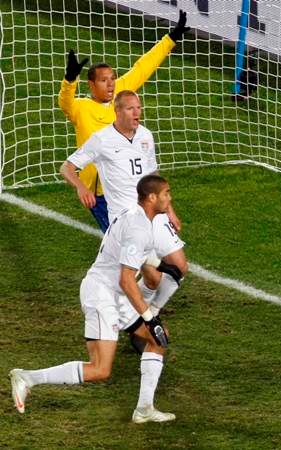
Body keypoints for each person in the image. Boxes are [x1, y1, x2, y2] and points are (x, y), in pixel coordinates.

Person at [9, 175, 182, 423]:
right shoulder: (138, 227)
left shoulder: (137, 216)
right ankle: (28, 377)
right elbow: (126, 279)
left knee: (158, 338)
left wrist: (160, 266)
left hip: (116, 293)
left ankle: (144, 409)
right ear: (152, 197)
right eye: (166, 193)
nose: (170, 197)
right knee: (100, 369)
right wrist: (149, 316)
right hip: (103, 294)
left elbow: (127, 255)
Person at [60, 90, 188, 349]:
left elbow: (154, 176)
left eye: (139, 108)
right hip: (127, 221)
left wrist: (170, 209)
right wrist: (81, 187)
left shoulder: (146, 136)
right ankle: (141, 322)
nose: (137, 113)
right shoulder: (102, 140)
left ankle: (145, 313)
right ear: (117, 111)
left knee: (179, 267)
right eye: (130, 109)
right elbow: (67, 167)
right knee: (151, 278)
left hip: (154, 213)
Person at [59, 9, 190, 232]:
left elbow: (144, 67)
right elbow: (65, 101)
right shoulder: (80, 108)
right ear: (91, 85)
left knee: (139, 241)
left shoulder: (121, 94)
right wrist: (70, 80)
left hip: (130, 185)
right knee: (124, 242)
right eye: (103, 81)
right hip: (101, 193)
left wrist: (171, 39)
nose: (110, 85)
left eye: (112, 79)